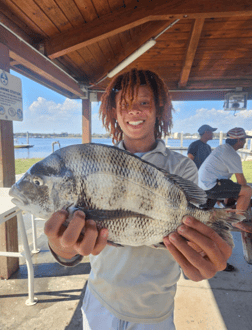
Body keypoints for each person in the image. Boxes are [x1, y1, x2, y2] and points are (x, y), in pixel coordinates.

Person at [44, 69, 235, 330]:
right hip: (99, 301)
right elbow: (72, 242)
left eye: (143, 102)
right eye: (124, 104)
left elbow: (188, 227)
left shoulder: (181, 168)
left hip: (155, 311)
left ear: (159, 110)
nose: (134, 110)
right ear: (114, 113)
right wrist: (63, 248)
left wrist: (202, 251)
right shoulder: (95, 164)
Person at [198, 127, 252, 214]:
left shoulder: (222, 148)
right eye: (244, 139)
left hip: (203, 185)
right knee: (247, 190)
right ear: (239, 140)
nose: (245, 142)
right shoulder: (232, 154)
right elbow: (241, 182)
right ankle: (238, 221)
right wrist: (246, 199)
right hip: (210, 186)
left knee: (233, 185)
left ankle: (230, 209)